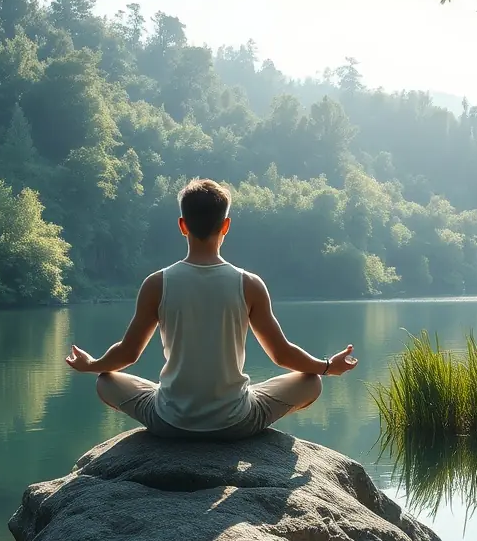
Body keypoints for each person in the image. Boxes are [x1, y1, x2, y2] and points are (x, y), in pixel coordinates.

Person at [65, 178, 358, 440]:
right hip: (236, 423)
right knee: (312, 383)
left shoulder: (157, 284)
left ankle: (175, 407)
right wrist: (328, 367)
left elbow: (127, 354)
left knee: (105, 381)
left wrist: (91, 365)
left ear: (182, 225)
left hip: (171, 422)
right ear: (226, 226)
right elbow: (282, 354)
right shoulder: (249, 284)